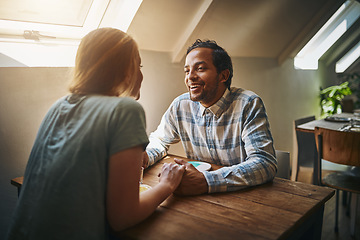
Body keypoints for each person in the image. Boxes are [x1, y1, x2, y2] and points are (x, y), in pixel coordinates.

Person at [6, 28, 185, 240]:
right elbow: (123, 218)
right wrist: (167, 185)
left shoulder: (59, 106)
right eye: (139, 65)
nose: (141, 73)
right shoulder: (126, 110)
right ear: (127, 70)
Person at [143, 39, 277, 195]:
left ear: (223, 75)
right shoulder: (180, 105)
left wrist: (207, 181)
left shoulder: (248, 104)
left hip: (244, 198)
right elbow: (159, 140)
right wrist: (145, 157)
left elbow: (265, 163)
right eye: (187, 71)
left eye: (200, 68)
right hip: (197, 199)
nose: (190, 77)